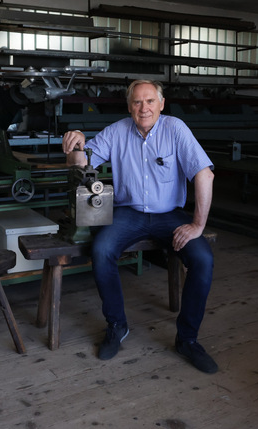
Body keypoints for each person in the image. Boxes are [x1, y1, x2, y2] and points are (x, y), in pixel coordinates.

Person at [62, 79, 217, 374]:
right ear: (129, 106)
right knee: (102, 249)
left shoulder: (176, 129)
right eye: (137, 102)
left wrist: (198, 225)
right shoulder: (118, 130)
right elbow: (80, 163)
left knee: (203, 259)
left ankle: (187, 339)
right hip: (128, 213)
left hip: (169, 215)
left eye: (149, 101)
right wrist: (76, 143)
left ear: (161, 104)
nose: (143, 108)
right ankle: (116, 326)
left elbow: (204, 175)